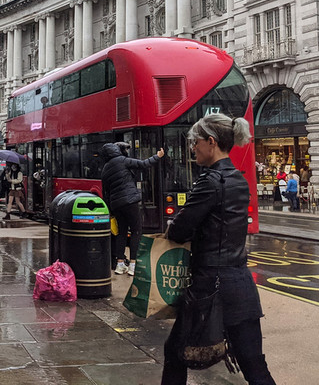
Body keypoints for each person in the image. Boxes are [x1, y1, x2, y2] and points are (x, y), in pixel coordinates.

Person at [162, 114, 276, 385]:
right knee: (253, 363)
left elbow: (179, 230)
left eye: (195, 142)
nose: (193, 148)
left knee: (175, 353)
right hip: (240, 283)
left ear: (211, 142)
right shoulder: (238, 179)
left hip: (210, 286)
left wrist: (172, 224)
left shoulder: (211, 181)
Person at [100, 142, 166, 277]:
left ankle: (120, 264)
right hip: (130, 201)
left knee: (121, 232)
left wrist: (110, 210)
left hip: (116, 204)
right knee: (136, 231)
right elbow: (143, 164)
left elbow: (105, 192)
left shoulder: (105, 169)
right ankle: (133, 265)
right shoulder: (122, 161)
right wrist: (157, 156)